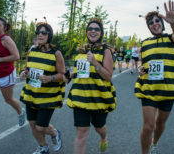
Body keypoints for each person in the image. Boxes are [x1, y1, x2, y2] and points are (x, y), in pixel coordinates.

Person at [135, 0, 174, 154]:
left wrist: (173, 24)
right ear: (148, 27)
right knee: (148, 126)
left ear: (162, 23)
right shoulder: (145, 43)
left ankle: (154, 143)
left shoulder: (171, 39)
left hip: (168, 90)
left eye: (157, 21)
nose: (155, 24)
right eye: (151, 23)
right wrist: (140, 68)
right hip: (149, 89)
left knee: (160, 123)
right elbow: (143, 63)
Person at [66, 17, 116, 154]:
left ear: (101, 32)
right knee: (81, 132)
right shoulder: (82, 50)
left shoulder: (106, 51)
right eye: (90, 29)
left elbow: (108, 76)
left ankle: (104, 138)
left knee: (99, 127)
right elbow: (80, 72)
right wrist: (69, 75)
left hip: (99, 97)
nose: (93, 31)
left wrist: (95, 63)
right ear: (87, 31)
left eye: (96, 29)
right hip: (80, 96)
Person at [19, 21, 65, 154]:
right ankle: (43, 147)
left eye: (44, 32)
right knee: (33, 125)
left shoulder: (56, 53)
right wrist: (23, 73)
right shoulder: (31, 50)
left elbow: (63, 75)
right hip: (31, 93)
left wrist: (50, 78)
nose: (40, 34)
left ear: (49, 35)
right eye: (38, 32)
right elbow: (27, 68)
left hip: (48, 96)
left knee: (40, 127)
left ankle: (54, 133)